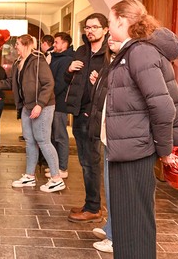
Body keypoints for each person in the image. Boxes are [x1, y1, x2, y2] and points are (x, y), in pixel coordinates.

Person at [106, 0, 178, 259]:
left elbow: (163, 107)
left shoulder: (140, 52)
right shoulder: (133, 51)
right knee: (127, 223)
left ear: (121, 20)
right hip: (128, 147)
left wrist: (166, 151)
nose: (109, 27)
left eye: (109, 21)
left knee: (134, 223)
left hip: (136, 149)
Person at [0, 34, 66, 193]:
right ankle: (29, 176)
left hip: (42, 106)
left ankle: (57, 179)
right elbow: (11, 82)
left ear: (27, 44)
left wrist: (40, 105)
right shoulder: (17, 63)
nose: (15, 47)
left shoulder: (38, 60)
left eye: (17, 44)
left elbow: (49, 83)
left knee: (43, 140)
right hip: (26, 106)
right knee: (30, 140)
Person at [65, 13, 108, 223]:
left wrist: (100, 81)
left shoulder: (109, 54)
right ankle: (90, 202)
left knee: (91, 161)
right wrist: (69, 69)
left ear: (106, 30)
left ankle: (94, 207)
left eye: (95, 27)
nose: (90, 31)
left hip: (95, 115)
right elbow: (68, 81)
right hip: (78, 113)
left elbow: (114, 85)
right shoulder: (81, 51)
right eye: (87, 27)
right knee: (84, 161)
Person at [87, 35, 121, 253]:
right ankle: (111, 227)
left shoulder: (127, 64)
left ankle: (115, 236)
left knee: (116, 188)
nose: (110, 41)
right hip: (109, 134)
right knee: (109, 185)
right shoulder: (112, 64)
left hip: (121, 136)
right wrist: (96, 83)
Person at [47, 32, 74, 178]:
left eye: (56, 42)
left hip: (60, 103)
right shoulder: (57, 58)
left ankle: (63, 168)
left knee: (60, 136)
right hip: (53, 101)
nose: (54, 45)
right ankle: (55, 165)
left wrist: (48, 95)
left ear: (65, 44)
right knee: (53, 135)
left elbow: (60, 83)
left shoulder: (66, 60)